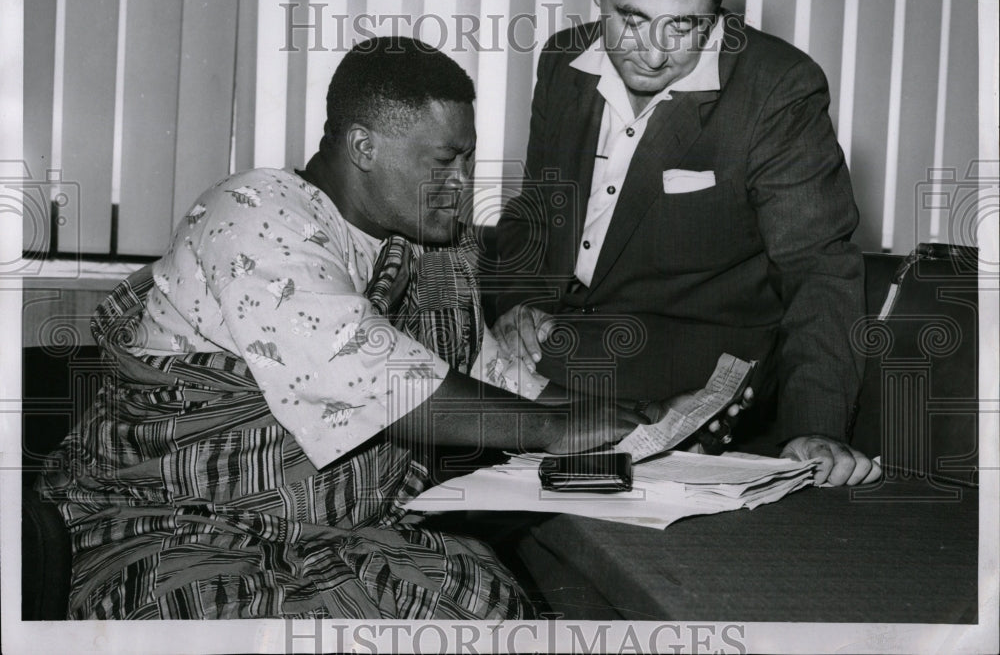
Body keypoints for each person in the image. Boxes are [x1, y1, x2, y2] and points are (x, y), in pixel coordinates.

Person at [36, 37, 649, 620]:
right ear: (364, 146)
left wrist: (642, 424)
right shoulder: (254, 212)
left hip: (328, 537)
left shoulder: (426, 248)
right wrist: (555, 426)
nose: (463, 183)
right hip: (176, 526)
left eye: (468, 157)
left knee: (487, 605)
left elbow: (486, 373)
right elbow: (372, 373)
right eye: (445, 160)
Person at [494, 0, 880, 487]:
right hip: (562, 356)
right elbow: (541, 214)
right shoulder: (561, 61)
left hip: (691, 382)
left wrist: (817, 425)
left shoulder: (777, 89)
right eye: (632, 17)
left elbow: (819, 268)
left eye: (685, 24)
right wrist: (517, 305)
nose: (653, 52)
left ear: (716, 10)